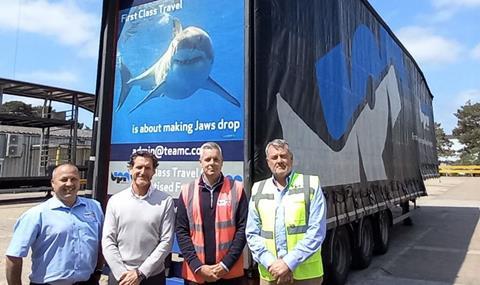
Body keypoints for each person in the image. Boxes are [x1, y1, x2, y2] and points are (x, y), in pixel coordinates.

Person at [5, 163, 104, 285]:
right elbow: (13, 256)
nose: (69, 184)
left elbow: (101, 244)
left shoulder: (94, 207)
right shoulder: (36, 214)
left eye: (74, 179)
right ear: (53, 183)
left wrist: (98, 271)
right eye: (63, 179)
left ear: (80, 181)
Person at [246, 139, 326, 285]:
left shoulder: (311, 184)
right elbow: (252, 233)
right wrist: (271, 263)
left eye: (283, 156)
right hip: (271, 274)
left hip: (306, 276)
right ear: (268, 161)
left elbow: (317, 232)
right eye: (274, 157)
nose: (279, 160)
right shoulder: (258, 189)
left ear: (291, 159)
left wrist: (288, 263)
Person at [176, 142, 247, 285]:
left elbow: (243, 229)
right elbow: (181, 231)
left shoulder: (237, 189)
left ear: (222, 162)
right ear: (200, 162)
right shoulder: (187, 191)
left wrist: (225, 265)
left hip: (229, 274)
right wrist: (198, 266)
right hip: (197, 274)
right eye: (207, 159)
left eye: (216, 159)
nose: (212, 163)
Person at [102, 150, 175, 285]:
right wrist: (122, 273)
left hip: (152, 277)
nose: (142, 171)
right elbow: (108, 240)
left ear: (154, 171)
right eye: (139, 167)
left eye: (148, 168)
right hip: (121, 277)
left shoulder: (165, 201)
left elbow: (166, 241)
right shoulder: (115, 201)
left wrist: (141, 273)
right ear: (130, 169)